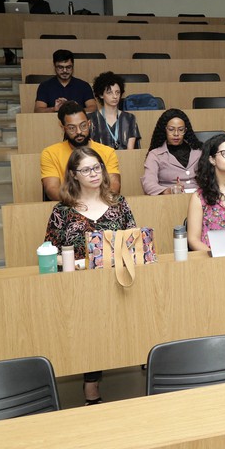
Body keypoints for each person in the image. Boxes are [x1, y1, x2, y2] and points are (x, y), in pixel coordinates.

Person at [44, 146, 136, 405]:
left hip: (118, 280)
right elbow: (50, 253)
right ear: (74, 175)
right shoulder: (62, 211)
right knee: (90, 324)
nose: (94, 174)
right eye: (86, 170)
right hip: (81, 286)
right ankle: (91, 382)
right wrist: (79, 263)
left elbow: (133, 242)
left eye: (97, 168)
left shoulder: (119, 204)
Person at [41, 101, 120, 201]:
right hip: (69, 205)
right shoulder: (50, 153)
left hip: (101, 204)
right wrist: (79, 203)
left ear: (89, 124)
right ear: (63, 128)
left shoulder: (107, 152)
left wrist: (95, 204)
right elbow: (52, 189)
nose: (79, 132)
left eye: (83, 126)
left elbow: (114, 186)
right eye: (72, 128)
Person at [141, 109, 203, 195]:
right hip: (170, 199)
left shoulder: (198, 151)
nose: (176, 134)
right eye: (171, 129)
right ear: (164, 130)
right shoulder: (155, 154)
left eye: (180, 129)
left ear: (185, 130)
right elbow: (148, 185)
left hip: (199, 197)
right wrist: (169, 191)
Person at [87, 71, 141, 150]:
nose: (115, 96)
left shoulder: (129, 118)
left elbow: (130, 151)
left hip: (125, 157)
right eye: (109, 93)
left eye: (117, 92)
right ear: (101, 95)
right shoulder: (91, 119)